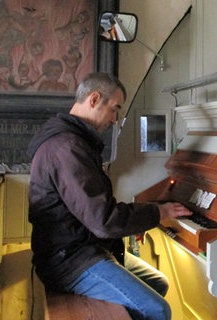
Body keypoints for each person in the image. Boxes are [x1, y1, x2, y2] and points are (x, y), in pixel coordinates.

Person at [27, 72, 191, 320]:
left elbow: (94, 210)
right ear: (94, 99)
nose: (115, 119)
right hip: (69, 261)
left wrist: (135, 222)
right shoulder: (67, 148)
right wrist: (160, 212)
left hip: (82, 248)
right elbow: (103, 221)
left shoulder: (74, 141)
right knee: (157, 309)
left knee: (158, 282)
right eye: (114, 109)